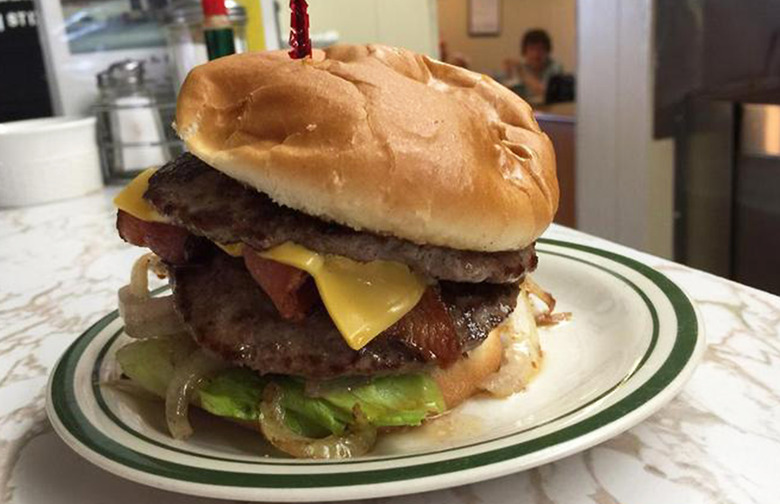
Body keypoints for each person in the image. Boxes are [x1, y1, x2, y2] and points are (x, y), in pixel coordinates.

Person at [502, 29, 564, 105]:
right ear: (524, 51)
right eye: (532, 49)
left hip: (548, 110)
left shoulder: (555, 68)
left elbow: (547, 93)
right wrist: (509, 75)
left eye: (540, 49)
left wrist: (523, 74)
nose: (536, 54)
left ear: (547, 51)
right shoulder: (520, 67)